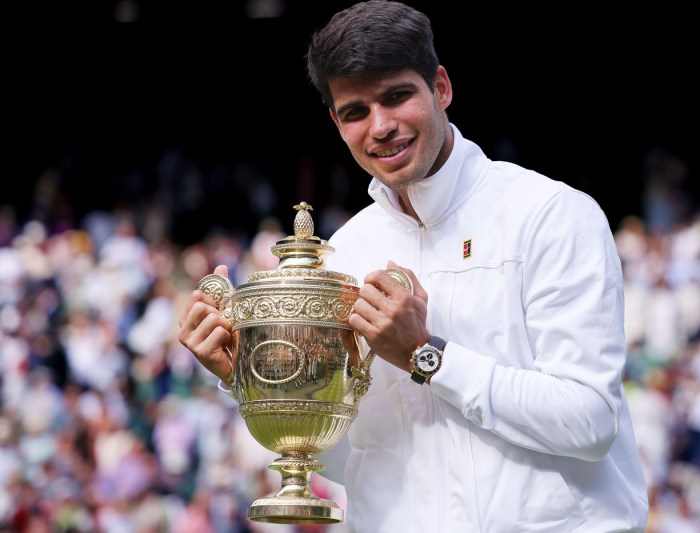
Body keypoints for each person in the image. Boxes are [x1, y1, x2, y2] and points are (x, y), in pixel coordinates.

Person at [178, 1, 650, 531]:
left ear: (441, 88)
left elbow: (588, 423)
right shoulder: (347, 254)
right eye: (356, 111)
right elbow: (356, 462)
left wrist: (427, 356)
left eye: (396, 96)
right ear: (336, 122)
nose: (380, 127)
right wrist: (251, 380)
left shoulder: (550, 215)